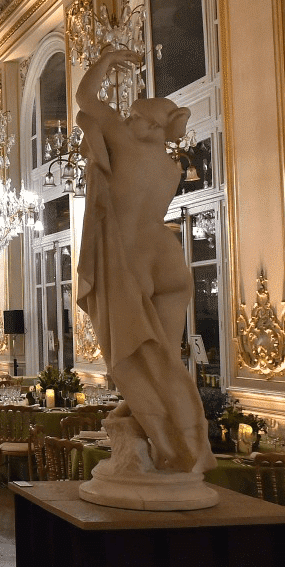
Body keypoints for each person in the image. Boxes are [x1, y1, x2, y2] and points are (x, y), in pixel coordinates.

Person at [75, 47, 215, 474]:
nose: (126, 121)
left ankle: (174, 447)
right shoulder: (170, 167)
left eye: (133, 116)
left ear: (147, 124)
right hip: (168, 259)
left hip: (131, 260)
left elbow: (86, 99)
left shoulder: (127, 144)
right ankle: (185, 438)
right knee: (164, 360)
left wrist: (106, 60)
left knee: (130, 358)